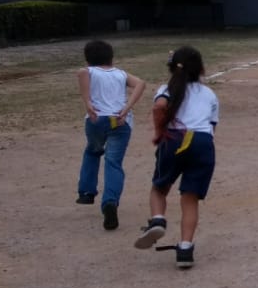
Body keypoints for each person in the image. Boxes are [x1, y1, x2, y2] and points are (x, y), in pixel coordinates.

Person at [134, 47, 220, 268]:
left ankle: (158, 219)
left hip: (175, 139)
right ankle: (185, 249)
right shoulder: (209, 93)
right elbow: (212, 127)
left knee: (159, 187)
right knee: (190, 198)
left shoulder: (167, 89)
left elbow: (159, 106)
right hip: (202, 142)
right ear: (201, 69)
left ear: (172, 68)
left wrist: (158, 132)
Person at [76, 39, 147, 231]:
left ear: (88, 58)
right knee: (113, 162)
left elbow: (82, 73)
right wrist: (127, 107)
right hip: (120, 120)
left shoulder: (89, 71)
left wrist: (87, 103)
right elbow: (141, 83)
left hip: (96, 119)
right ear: (111, 57)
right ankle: (110, 202)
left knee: (92, 151)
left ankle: (87, 192)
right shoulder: (120, 73)